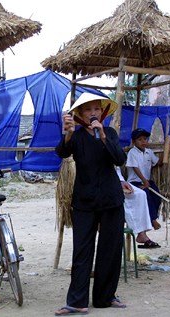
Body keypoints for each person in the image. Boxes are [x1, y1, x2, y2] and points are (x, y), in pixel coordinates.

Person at [54, 92, 127, 316]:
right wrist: (67, 135)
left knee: (110, 249)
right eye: (88, 110)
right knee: (82, 250)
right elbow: (62, 152)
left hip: (111, 200)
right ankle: (77, 301)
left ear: (102, 113)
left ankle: (105, 297)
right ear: (79, 115)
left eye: (96, 109)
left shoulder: (110, 133)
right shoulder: (75, 136)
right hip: (84, 201)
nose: (93, 113)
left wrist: (103, 136)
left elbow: (120, 159)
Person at [126, 128, 163, 233]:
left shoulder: (149, 152)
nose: (143, 141)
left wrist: (166, 152)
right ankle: (153, 220)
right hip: (135, 182)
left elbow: (157, 162)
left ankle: (152, 217)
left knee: (156, 195)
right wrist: (144, 181)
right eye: (140, 139)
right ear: (133, 142)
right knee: (145, 194)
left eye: (145, 139)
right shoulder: (132, 153)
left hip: (146, 181)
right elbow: (135, 168)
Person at [116, 166, 160, 248]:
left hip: (115, 179)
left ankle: (142, 233)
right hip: (99, 180)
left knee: (140, 194)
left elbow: (116, 169)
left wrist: (121, 181)